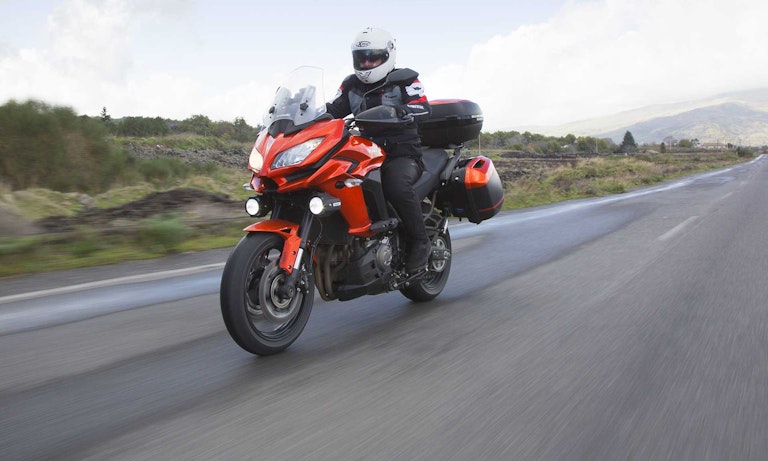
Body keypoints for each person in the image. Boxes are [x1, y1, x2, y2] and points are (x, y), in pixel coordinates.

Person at [325, 27, 432, 273]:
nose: (366, 63)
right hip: (365, 153)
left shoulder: (405, 80)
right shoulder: (350, 84)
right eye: (361, 58)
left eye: (372, 58)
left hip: (401, 152)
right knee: (337, 182)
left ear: (388, 54)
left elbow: (424, 107)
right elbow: (332, 110)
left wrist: (403, 111)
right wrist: (303, 117)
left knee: (396, 185)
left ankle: (420, 242)